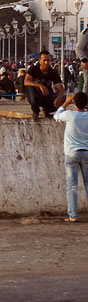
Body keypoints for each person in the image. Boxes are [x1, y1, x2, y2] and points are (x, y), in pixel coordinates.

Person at [54, 92, 88, 221]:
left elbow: (56, 116)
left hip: (72, 153)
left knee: (72, 185)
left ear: (74, 103)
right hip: (86, 152)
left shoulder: (70, 115)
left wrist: (66, 102)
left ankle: (73, 215)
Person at [25, 50, 65, 120]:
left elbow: (60, 87)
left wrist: (59, 97)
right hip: (35, 95)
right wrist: (40, 85)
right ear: (40, 60)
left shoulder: (53, 72)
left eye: (48, 60)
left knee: (64, 98)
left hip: (47, 95)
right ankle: (35, 111)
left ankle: (47, 110)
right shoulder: (33, 68)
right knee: (30, 87)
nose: (46, 63)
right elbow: (26, 81)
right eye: (44, 60)